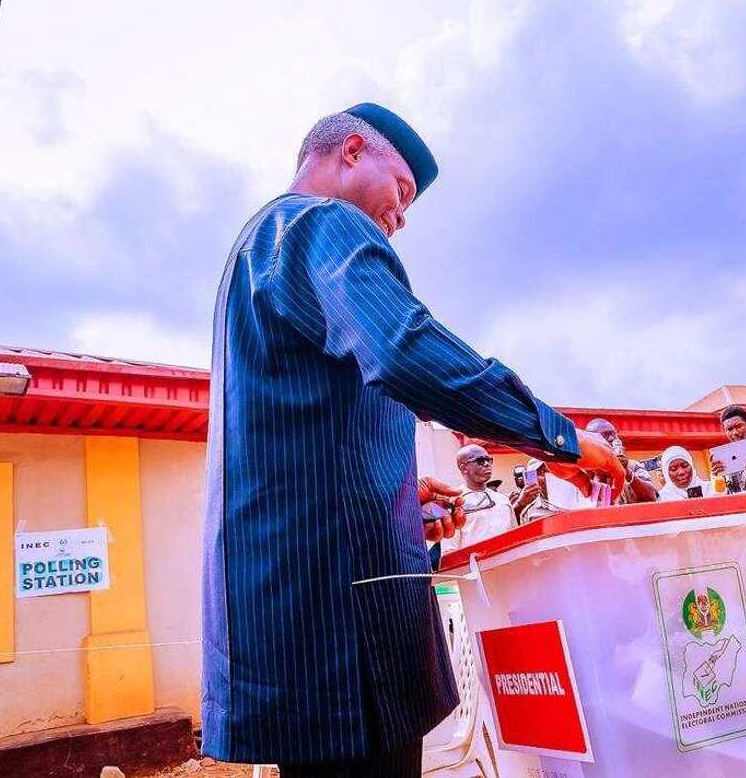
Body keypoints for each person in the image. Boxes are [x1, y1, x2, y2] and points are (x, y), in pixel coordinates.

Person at [202, 103, 624, 776]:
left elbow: (305, 429)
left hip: (288, 613)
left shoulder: (257, 246)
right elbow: (406, 351)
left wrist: (399, 496)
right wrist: (559, 440)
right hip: (343, 623)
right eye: (399, 193)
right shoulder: (322, 223)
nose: (398, 220)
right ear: (350, 152)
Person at [440, 445, 516, 552]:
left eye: (489, 460)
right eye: (480, 461)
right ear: (464, 467)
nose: (487, 464)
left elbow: (514, 538)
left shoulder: (502, 499)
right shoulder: (454, 503)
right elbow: (449, 551)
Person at [585, 417, 658, 503]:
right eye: (605, 435)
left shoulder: (632, 466)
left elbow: (651, 497)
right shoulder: (583, 471)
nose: (612, 438)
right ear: (591, 441)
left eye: (613, 434)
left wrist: (626, 469)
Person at [710, 404, 746, 492]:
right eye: (729, 429)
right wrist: (716, 477)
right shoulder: (723, 465)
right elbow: (722, 498)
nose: (735, 432)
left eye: (738, 426)